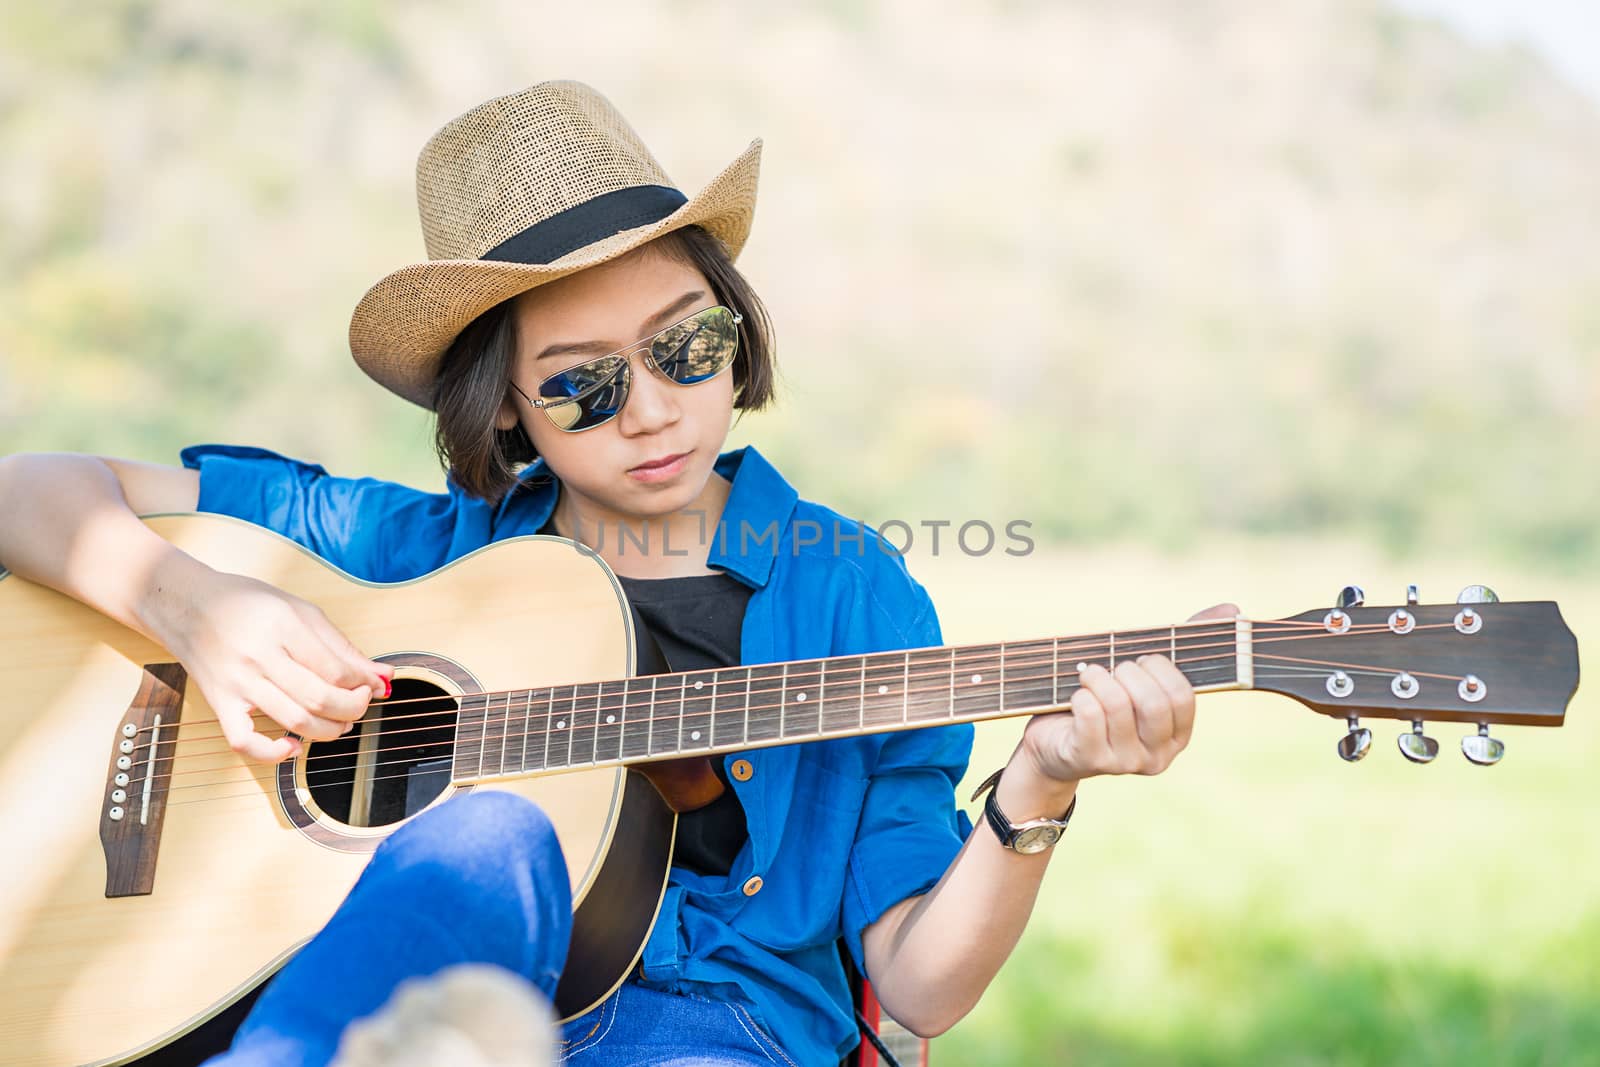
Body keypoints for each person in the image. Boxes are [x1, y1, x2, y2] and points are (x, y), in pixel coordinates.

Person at [0, 81, 1235, 1066]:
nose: (650, 410)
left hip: (708, 1032)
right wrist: (198, 607)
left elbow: (918, 981)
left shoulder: (855, 596)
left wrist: (1040, 786)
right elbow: (24, 488)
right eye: (583, 383)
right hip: (386, 990)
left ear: (735, 332)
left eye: (687, 346)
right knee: (487, 840)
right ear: (506, 414)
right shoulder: (424, 551)